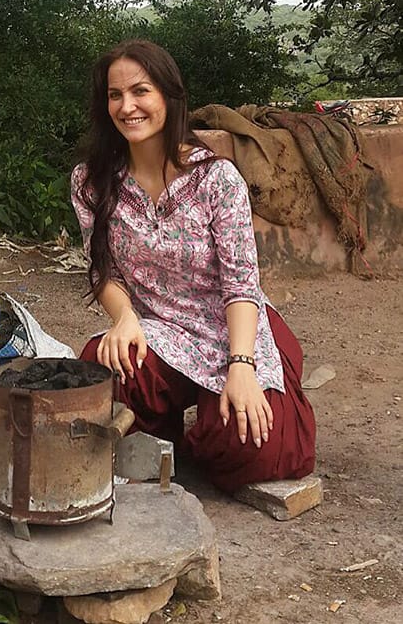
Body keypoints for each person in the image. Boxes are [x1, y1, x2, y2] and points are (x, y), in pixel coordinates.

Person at [71, 40, 316, 493]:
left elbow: (241, 284)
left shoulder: (216, 178)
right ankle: (163, 434)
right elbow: (102, 269)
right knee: (99, 371)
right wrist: (124, 318)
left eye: (140, 91)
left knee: (256, 447)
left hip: (230, 327)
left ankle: (243, 403)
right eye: (114, 95)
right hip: (159, 328)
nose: (127, 107)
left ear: (168, 95)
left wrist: (242, 365)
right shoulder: (92, 182)